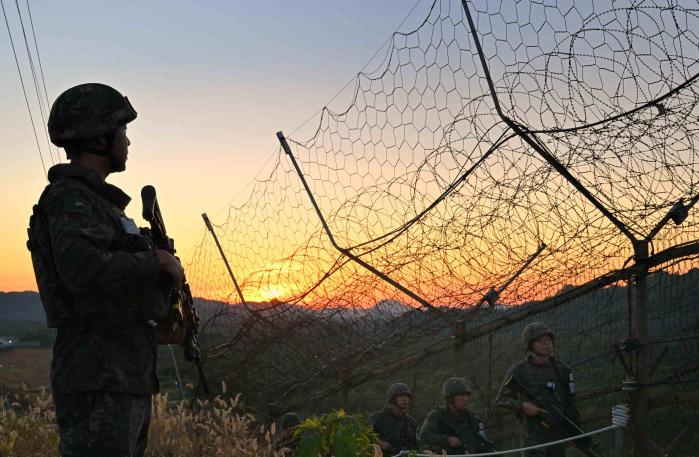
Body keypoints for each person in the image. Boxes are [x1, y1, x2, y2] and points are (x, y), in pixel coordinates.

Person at [27, 83, 184, 457]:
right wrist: (157, 261)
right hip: (98, 378)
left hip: (122, 375)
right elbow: (81, 270)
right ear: (99, 137)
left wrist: (156, 321)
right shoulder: (70, 197)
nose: (127, 141)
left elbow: (109, 292)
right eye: (123, 131)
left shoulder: (100, 203)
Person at [496, 322, 580, 457]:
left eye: (548, 340)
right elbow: (501, 399)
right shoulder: (519, 370)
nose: (546, 344)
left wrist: (575, 431)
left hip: (558, 437)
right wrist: (523, 406)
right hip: (533, 440)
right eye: (540, 341)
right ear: (530, 345)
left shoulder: (562, 369)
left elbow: (571, 402)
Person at [419, 377, 491, 455]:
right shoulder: (436, 416)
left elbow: (482, 442)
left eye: (467, 395)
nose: (465, 399)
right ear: (450, 398)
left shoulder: (473, 418)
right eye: (461, 395)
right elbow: (424, 436)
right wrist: (447, 440)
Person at [367, 382, 418, 454]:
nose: (405, 399)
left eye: (407, 396)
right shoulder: (377, 418)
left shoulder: (411, 423)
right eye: (401, 396)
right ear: (393, 398)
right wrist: (379, 443)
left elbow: (415, 447)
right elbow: (365, 437)